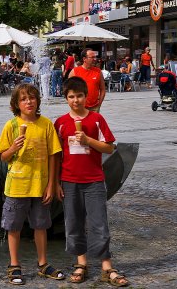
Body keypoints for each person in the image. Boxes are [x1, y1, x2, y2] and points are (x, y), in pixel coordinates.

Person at [54, 76, 129, 287]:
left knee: (99, 224)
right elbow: (57, 155)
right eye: (71, 97)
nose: (76, 100)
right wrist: (56, 182)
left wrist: (88, 141)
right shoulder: (60, 123)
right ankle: (81, 263)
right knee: (73, 223)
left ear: (87, 97)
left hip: (94, 180)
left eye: (79, 96)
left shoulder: (96, 119)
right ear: (66, 98)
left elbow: (109, 147)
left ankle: (107, 266)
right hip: (69, 180)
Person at [0, 83, 65, 286]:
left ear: (38, 101)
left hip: (40, 186)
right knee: (14, 226)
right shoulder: (11, 125)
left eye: (32, 98)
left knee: (41, 225)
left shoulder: (45, 124)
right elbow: (3, 157)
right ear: (17, 104)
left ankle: (43, 263)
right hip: (17, 187)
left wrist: (52, 184)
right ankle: (14, 264)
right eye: (24, 99)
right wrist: (13, 148)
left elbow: (54, 155)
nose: (29, 102)